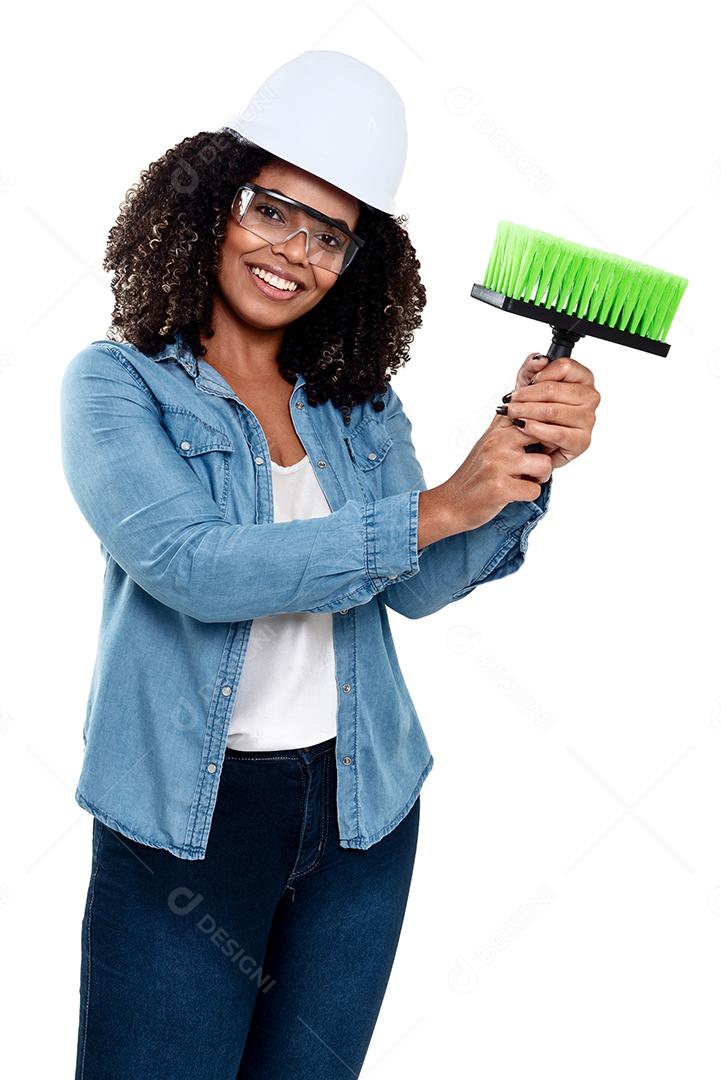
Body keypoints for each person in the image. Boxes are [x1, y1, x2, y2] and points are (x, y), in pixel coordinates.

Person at [60, 50, 600, 1080]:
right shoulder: (114, 388)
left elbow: (420, 584)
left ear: (356, 262)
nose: (293, 252)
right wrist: (439, 504)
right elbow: (196, 568)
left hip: (360, 814)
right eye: (271, 210)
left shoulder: (355, 402)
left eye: (329, 235)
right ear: (214, 204)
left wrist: (518, 461)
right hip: (185, 830)